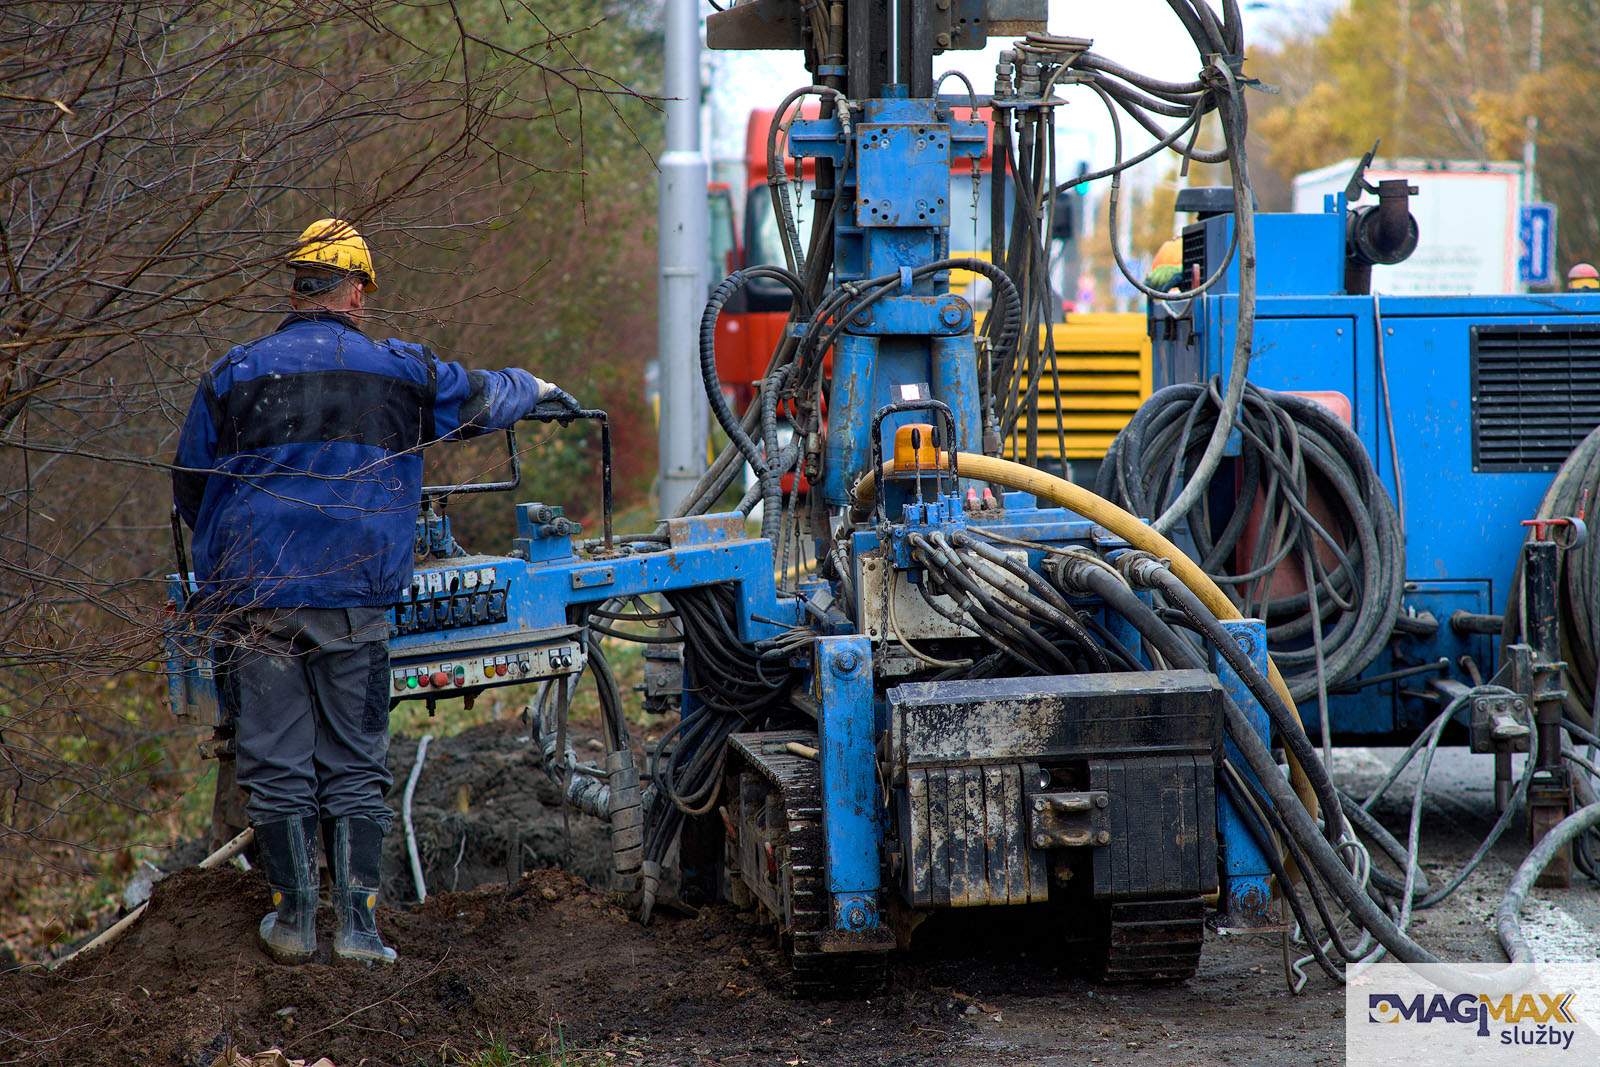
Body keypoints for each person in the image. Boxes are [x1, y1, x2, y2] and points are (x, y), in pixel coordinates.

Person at [172, 219, 578, 965]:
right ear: (355, 292)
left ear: (297, 287)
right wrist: (539, 387)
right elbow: (487, 397)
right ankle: (358, 931)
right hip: (354, 601)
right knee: (356, 763)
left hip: (257, 599)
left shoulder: (234, 373)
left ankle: (293, 922)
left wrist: (229, 565)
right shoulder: (399, 372)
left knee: (273, 761)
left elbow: (192, 485)